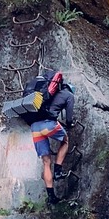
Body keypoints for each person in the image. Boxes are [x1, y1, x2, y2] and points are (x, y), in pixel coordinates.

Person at [28, 71, 75, 205]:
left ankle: (51, 197)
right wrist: (70, 124)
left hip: (35, 127)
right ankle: (58, 170)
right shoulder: (69, 95)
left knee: (46, 162)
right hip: (48, 124)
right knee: (65, 141)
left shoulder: (47, 95)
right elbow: (69, 118)